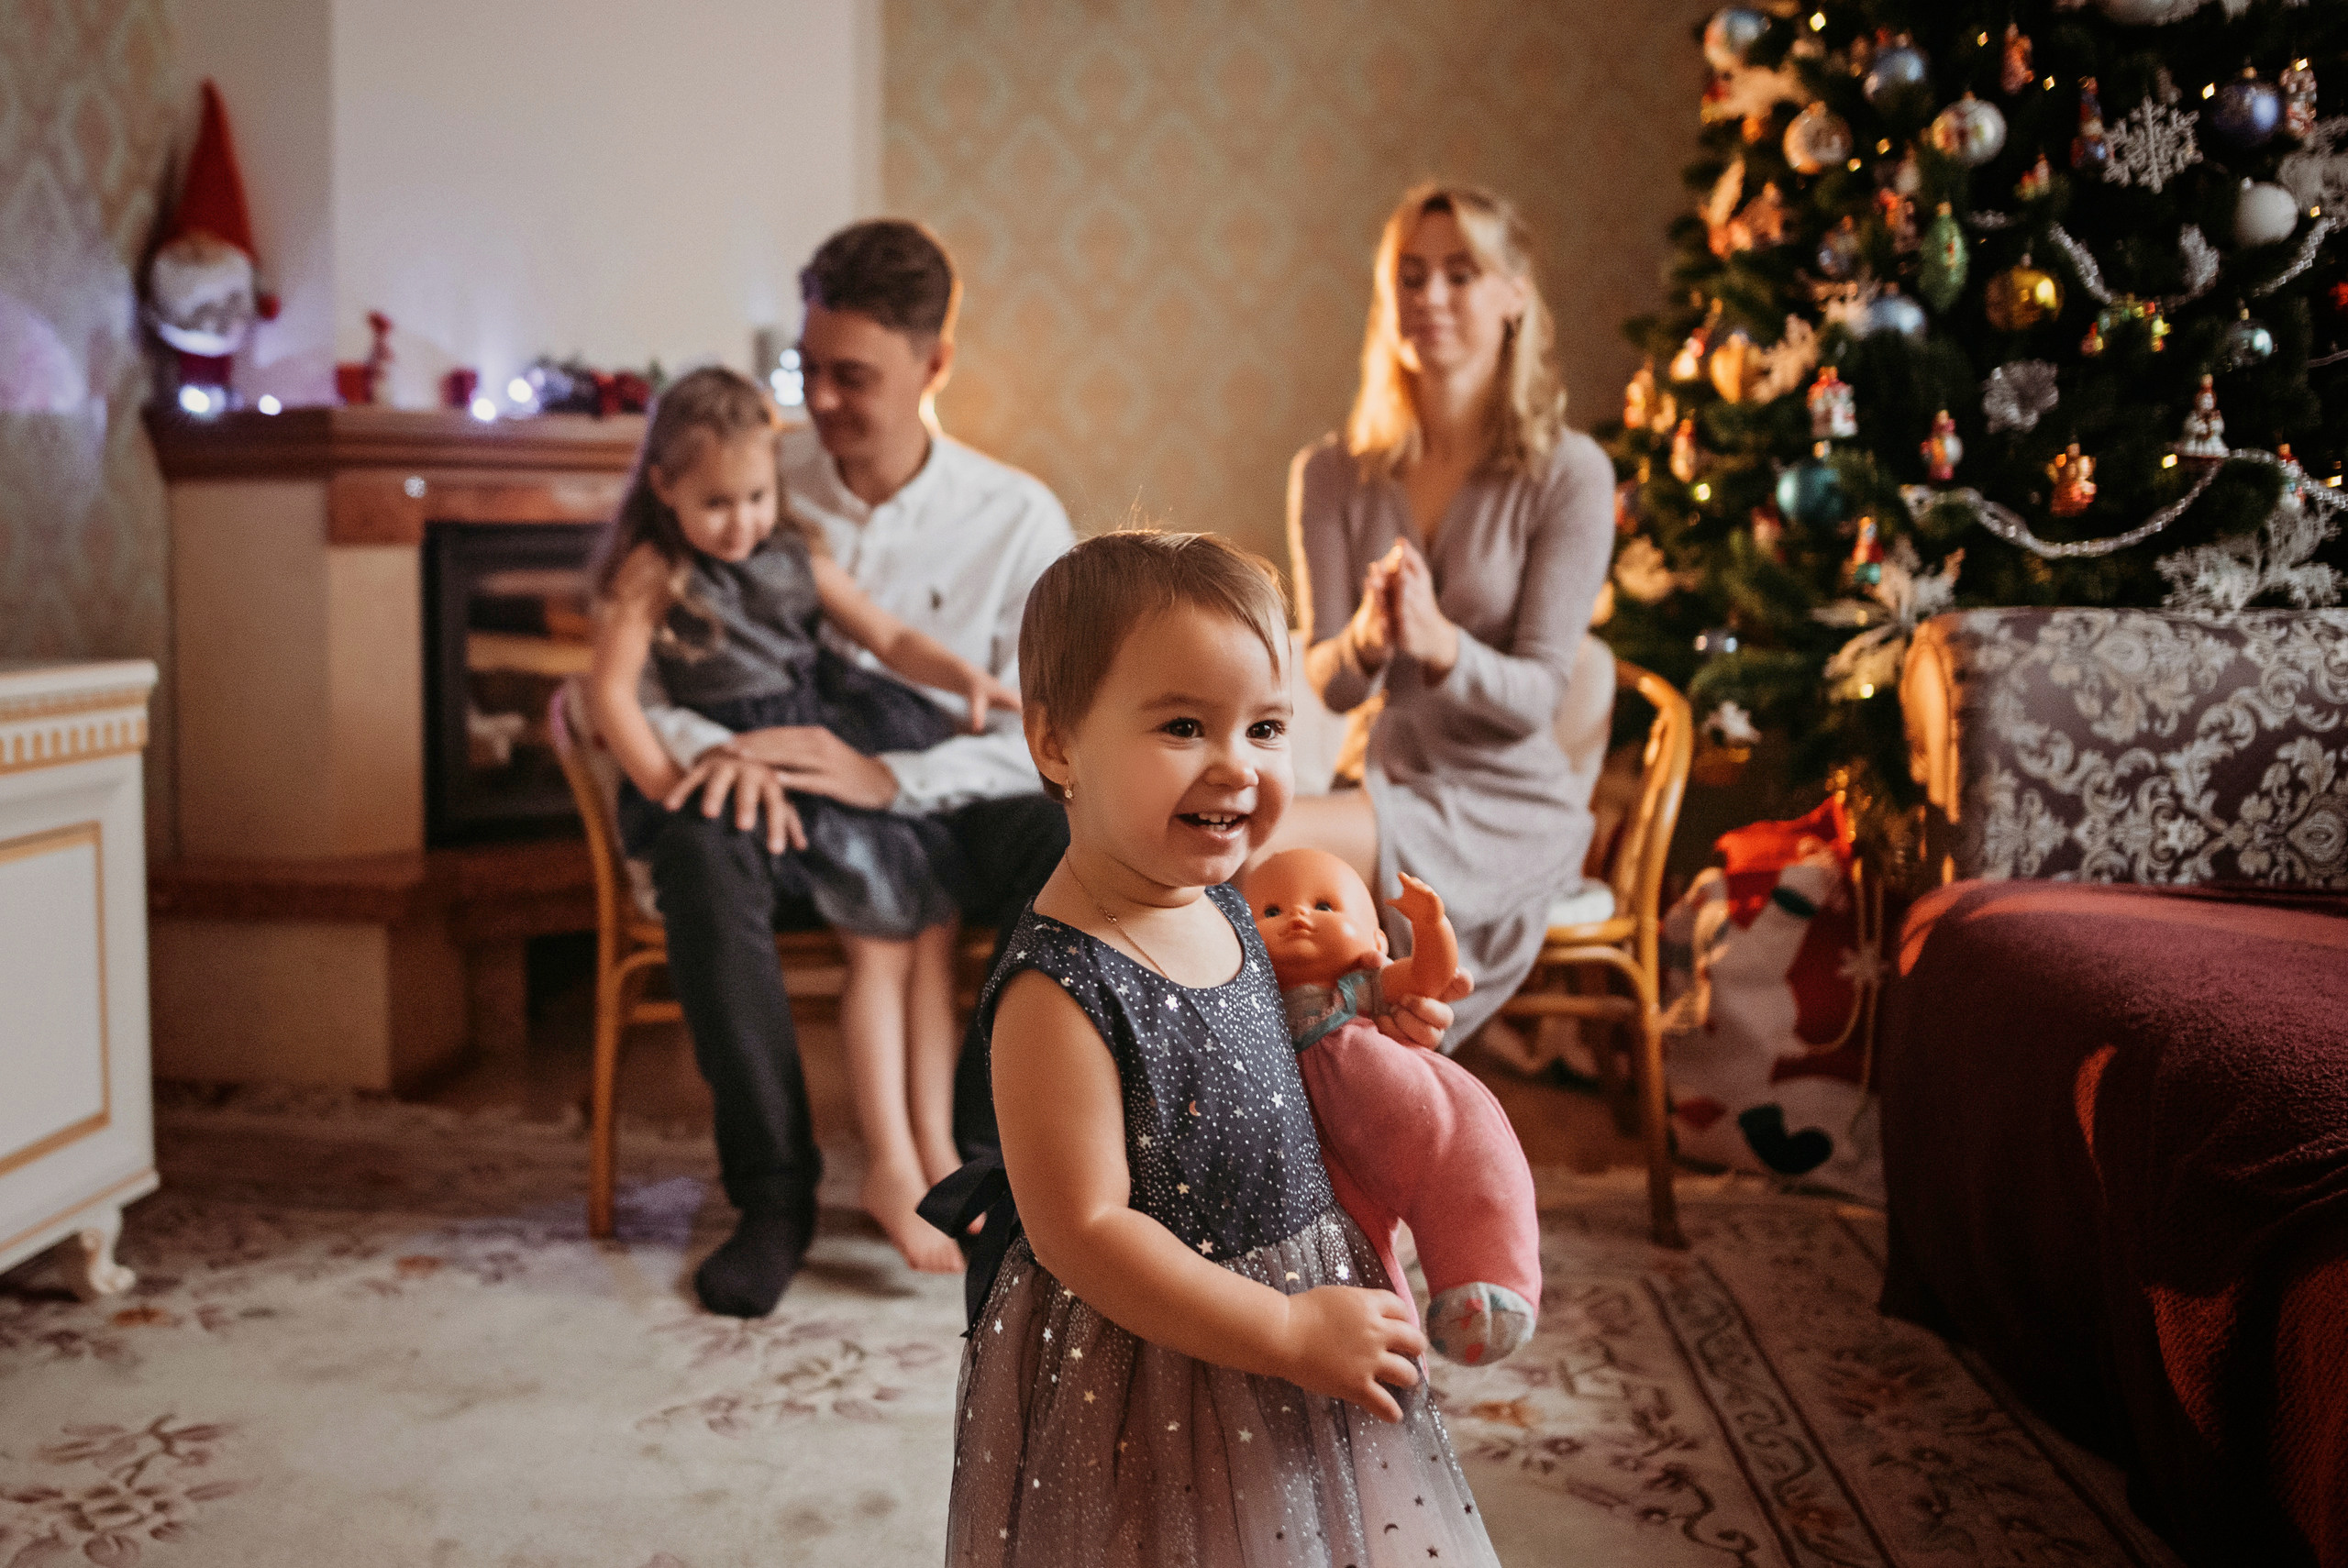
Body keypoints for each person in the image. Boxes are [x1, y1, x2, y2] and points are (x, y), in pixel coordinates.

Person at [944, 530, 1500, 1565]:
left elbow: (1263, 1055)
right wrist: (1283, 1334)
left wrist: (1375, 1020)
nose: (1236, 767)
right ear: (1057, 743)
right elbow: (1084, 1232)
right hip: (1156, 1356)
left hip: (1300, 1295)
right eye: (1185, 725)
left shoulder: (1225, 899)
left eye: (1268, 725)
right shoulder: (1058, 988)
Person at [638, 221, 1075, 1316]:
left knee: (1073, 844)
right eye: (809, 370)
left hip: (946, 791)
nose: (820, 403)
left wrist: (895, 782)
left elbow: (1047, 728)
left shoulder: (1016, 518)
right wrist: (715, 751)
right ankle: (773, 1195)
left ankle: (980, 1165)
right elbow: (637, 664)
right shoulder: (744, 476)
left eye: (853, 377)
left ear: (935, 366)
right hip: (776, 781)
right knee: (697, 846)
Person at [586, 367, 1018, 1284]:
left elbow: (888, 637)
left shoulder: (792, 549)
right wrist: (675, 785)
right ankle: (869, 1172)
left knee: (923, 933)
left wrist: (965, 681)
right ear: (662, 488)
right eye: (715, 503)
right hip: (737, 763)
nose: (740, 522)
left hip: (827, 738)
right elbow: (611, 696)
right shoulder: (656, 573)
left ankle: (936, 1152)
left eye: (755, 496)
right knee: (881, 940)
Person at [1268, 182, 1614, 1045]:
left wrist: (1442, 645)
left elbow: (1540, 695)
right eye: (1410, 275)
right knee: (1222, 856)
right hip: (1383, 774)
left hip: (1504, 803)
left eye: (1462, 275)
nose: (1430, 298)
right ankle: (1265, 1122)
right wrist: (1370, 639)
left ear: (1513, 298)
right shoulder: (1332, 473)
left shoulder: (1570, 474)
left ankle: (1291, 1118)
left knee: (1254, 849)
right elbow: (1332, 681)